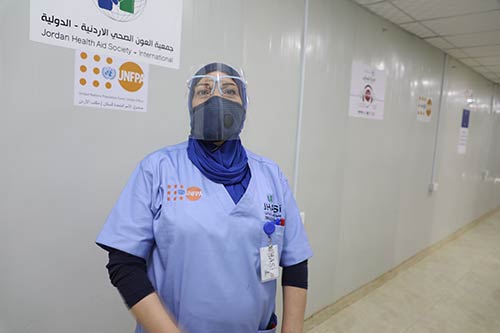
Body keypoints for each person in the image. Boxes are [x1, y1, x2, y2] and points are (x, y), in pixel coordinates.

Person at [96, 62, 313, 333]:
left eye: (230, 91)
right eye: (204, 90)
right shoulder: (158, 168)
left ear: (244, 106)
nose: (217, 98)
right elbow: (124, 264)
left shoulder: (271, 175)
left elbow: (295, 262)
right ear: (191, 105)